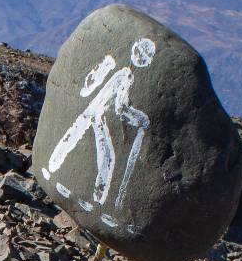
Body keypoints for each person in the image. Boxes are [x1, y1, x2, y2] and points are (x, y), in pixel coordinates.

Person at [40, 36, 156, 226]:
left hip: (93, 111)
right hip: (98, 114)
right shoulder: (126, 75)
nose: (142, 59)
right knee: (105, 155)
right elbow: (119, 107)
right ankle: (97, 197)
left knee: (72, 138)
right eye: (141, 54)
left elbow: (96, 87)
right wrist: (137, 118)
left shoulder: (123, 71)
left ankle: (52, 168)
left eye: (146, 57)